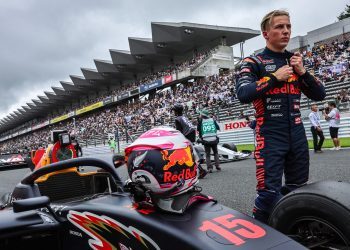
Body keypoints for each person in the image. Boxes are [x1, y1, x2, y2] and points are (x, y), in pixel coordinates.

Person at [236, 10, 326, 223]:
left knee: (298, 191)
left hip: (296, 133)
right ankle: (258, 235)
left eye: (288, 27)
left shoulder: (295, 61)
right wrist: (274, 78)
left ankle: (294, 231)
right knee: (268, 194)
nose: (285, 31)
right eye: (279, 27)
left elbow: (319, 94)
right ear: (266, 33)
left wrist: (302, 72)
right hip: (269, 134)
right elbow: (243, 94)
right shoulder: (253, 62)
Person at [172, 104, 207, 178]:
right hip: (191, 134)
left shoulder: (177, 119)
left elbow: (179, 131)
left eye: (174, 111)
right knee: (190, 153)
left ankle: (200, 170)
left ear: (176, 111)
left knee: (187, 154)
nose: (173, 112)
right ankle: (198, 168)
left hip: (187, 135)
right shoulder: (183, 117)